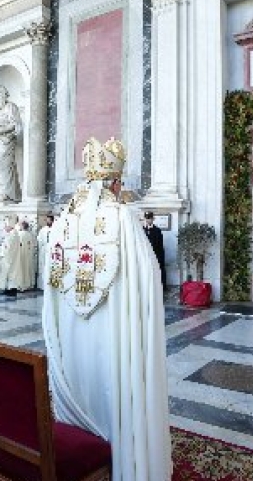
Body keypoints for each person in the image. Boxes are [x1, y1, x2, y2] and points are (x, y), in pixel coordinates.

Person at [41, 137, 171, 481]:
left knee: (84, 377)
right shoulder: (123, 217)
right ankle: (123, 456)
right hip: (113, 331)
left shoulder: (63, 221)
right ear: (115, 182)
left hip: (71, 332)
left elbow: (50, 284)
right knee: (114, 386)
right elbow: (147, 277)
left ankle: (78, 434)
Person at [0, 214, 22, 296]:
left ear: (10, 226)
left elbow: (8, 248)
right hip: (11, 257)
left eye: (6, 226)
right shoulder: (13, 233)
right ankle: (8, 288)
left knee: (10, 273)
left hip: (9, 258)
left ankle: (11, 290)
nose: (5, 228)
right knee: (11, 273)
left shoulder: (13, 234)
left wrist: (2, 254)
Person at [143, 211, 167, 289]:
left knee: (158, 272)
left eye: (150, 218)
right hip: (145, 256)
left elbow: (160, 245)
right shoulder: (141, 230)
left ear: (153, 219)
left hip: (156, 255)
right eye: (147, 218)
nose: (148, 220)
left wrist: (160, 258)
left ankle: (161, 287)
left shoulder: (157, 230)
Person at [16, 220, 37, 291]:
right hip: (29, 255)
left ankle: (22, 285)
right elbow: (34, 245)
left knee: (22, 270)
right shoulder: (30, 235)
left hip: (22, 255)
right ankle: (30, 284)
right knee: (29, 269)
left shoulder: (19, 234)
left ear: (22, 226)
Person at [36, 214, 54, 289]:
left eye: (48, 220)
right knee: (43, 267)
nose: (47, 221)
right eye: (46, 220)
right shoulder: (43, 229)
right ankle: (42, 285)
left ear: (52, 220)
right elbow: (39, 240)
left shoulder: (56, 228)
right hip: (44, 250)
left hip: (52, 250)